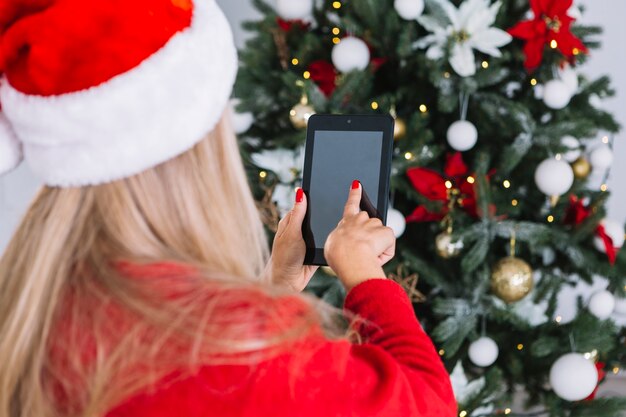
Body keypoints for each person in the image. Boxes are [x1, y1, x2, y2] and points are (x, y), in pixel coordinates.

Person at [0, 0, 457, 416]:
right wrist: (364, 276)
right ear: (196, 145)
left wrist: (274, 289)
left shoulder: (27, 305)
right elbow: (428, 405)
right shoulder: (232, 349)